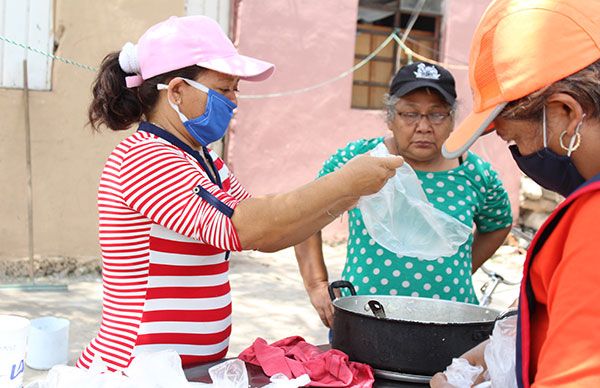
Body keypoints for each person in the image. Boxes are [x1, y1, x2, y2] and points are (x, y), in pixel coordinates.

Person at [75, 15, 404, 372]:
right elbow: (245, 228)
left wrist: (348, 196)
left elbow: (272, 233)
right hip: (133, 369)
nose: (234, 101)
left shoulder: (204, 158)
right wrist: (344, 183)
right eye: (224, 89)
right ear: (176, 91)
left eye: (236, 89)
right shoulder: (145, 157)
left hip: (182, 370)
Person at [431, 0, 600, 386]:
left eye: (516, 139)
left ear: (567, 113)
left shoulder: (593, 220)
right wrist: (514, 335)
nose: (522, 157)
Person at [294, 61, 512, 328]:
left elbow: (498, 224)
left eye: (437, 114)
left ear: (453, 119)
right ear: (389, 117)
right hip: (366, 319)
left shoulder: (476, 174)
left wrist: (459, 269)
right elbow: (305, 215)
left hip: (450, 324)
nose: (423, 126)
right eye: (409, 113)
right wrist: (317, 284)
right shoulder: (359, 160)